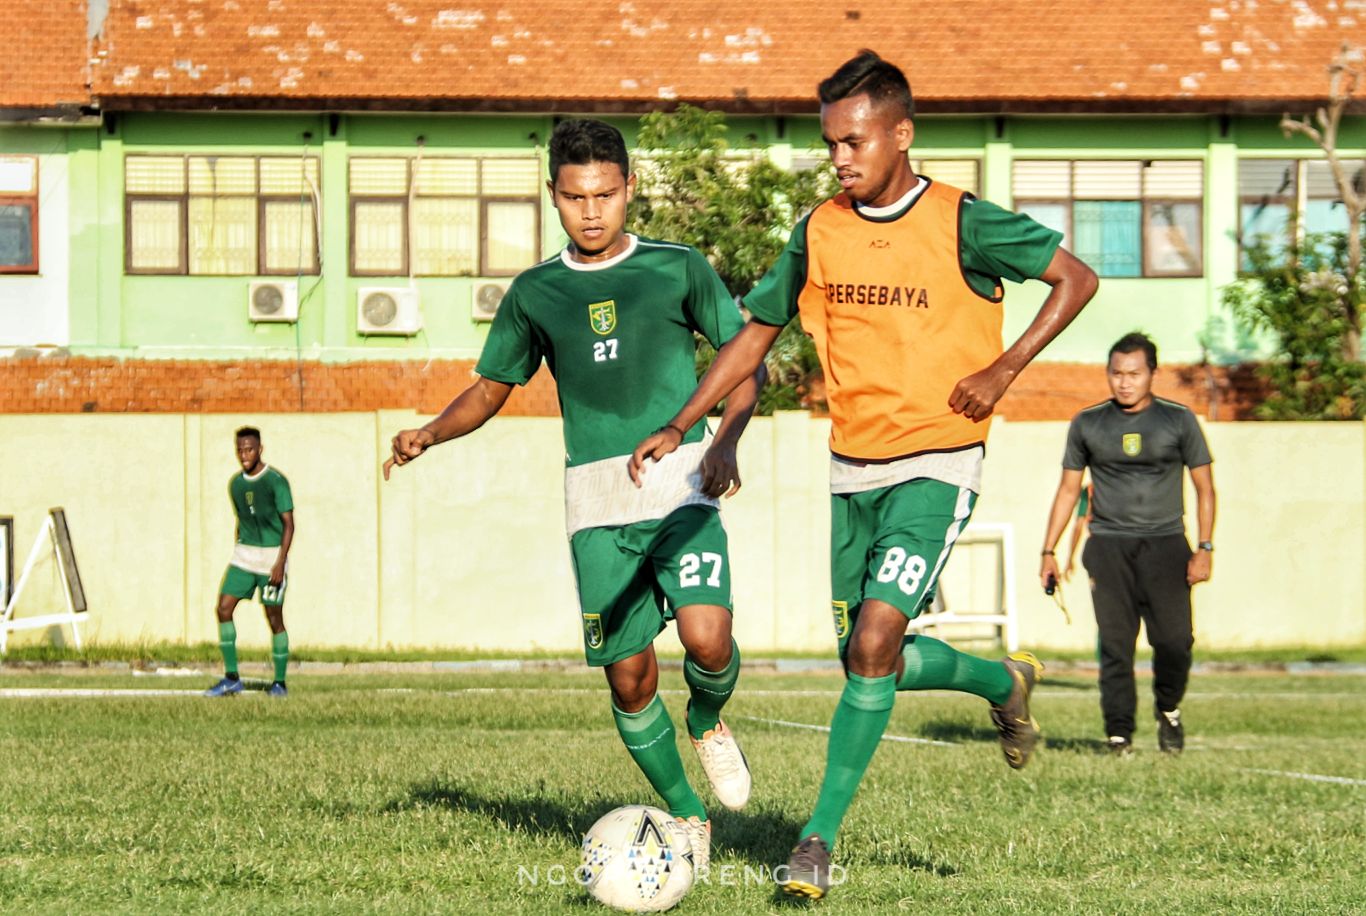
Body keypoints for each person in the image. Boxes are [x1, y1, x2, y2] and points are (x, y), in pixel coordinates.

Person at [628, 49, 1099, 899]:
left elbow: (1076, 277)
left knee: (877, 637)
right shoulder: (818, 229)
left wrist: (1004, 371)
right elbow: (756, 333)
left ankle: (816, 841)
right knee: (865, 658)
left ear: (901, 133)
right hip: (852, 470)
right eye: (830, 143)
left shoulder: (963, 220)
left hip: (939, 460)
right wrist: (687, 422)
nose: (839, 158)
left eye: (853, 140)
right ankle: (1003, 680)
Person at [383, 119, 766, 871]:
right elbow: (492, 387)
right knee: (628, 679)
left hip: (680, 483)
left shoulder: (678, 268)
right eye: (574, 197)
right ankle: (688, 818)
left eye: (606, 194)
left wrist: (722, 442)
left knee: (707, 639)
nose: (592, 211)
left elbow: (743, 362)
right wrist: (429, 431)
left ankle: (710, 720)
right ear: (554, 196)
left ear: (629, 189)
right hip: (594, 507)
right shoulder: (536, 292)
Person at [1039, 332, 1215, 757]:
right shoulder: (1088, 423)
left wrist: (1205, 547)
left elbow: (1205, 488)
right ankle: (1119, 735)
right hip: (1109, 547)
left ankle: (1168, 709)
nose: (1125, 382)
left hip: (1167, 546)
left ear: (1152, 373)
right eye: (1116, 373)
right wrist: (1048, 550)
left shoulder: (1178, 420)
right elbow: (1068, 490)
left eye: (1134, 373)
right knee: (1115, 646)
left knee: (1175, 642)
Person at [204, 426, 294, 698]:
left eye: (249, 449)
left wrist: (279, 563)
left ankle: (279, 683)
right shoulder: (236, 484)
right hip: (244, 557)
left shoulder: (276, 481)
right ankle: (231, 678)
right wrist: (238, 548)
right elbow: (241, 520)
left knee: (273, 617)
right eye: (240, 449)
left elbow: (289, 525)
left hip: (270, 559)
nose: (244, 454)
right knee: (223, 608)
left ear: (260, 450)